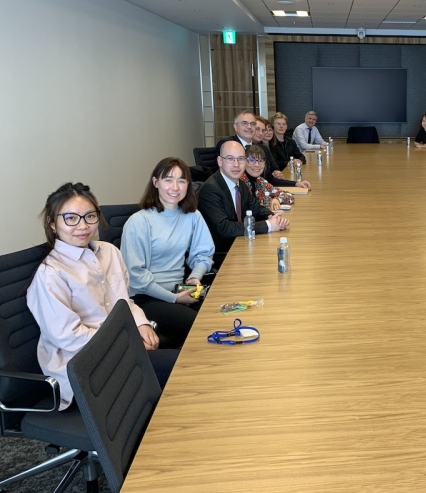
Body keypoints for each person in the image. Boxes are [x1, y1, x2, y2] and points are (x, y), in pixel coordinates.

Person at [26, 182, 177, 411]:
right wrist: (127, 344)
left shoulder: (109, 252)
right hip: (84, 367)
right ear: (52, 223)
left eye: (90, 216)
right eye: (70, 218)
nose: (83, 226)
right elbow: (70, 338)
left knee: (184, 367)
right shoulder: (51, 274)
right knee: (181, 374)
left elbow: (125, 301)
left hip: (120, 350)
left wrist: (141, 323)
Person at [121, 157, 215, 348]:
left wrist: (194, 278)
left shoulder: (192, 215)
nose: (175, 187)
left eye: (181, 181)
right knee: (203, 327)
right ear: (156, 182)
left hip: (180, 290)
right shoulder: (139, 222)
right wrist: (174, 299)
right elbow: (136, 276)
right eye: (168, 180)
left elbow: (203, 253)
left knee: (221, 312)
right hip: (147, 298)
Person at [198, 141, 289, 256]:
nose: (236, 165)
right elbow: (225, 228)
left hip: (240, 244)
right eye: (230, 159)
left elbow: (257, 209)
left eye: (241, 159)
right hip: (222, 254)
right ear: (220, 161)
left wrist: (272, 217)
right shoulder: (211, 189)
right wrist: (268, 225)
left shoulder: (240, 184)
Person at [216, 111, 284, 180]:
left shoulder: (261, 148)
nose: (249, 127)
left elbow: (270, 176)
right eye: (244, 123)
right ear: (236, 127)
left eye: (252, 124)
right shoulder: (228, 144)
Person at [242, 145, 301, 210]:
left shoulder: (260, 181)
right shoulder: (241, 183)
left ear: (265, 164)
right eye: (251, 160)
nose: (257, 165)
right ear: (243, 162)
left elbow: (289, 195)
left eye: (260, 160)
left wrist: (277, 200)